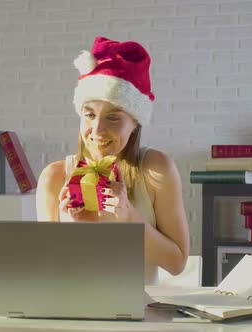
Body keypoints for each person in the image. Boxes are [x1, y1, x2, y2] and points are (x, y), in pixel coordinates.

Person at [36, 36, 190, 285]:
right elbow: (47, 270)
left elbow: (177, 263)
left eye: (114, 118)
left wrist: (129, 217)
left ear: (134, 123)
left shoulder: (156, 169)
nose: (97, 130)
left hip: (139, 315)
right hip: (72, 311)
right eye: (89, 115)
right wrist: (72, 231)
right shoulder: (54, 177)